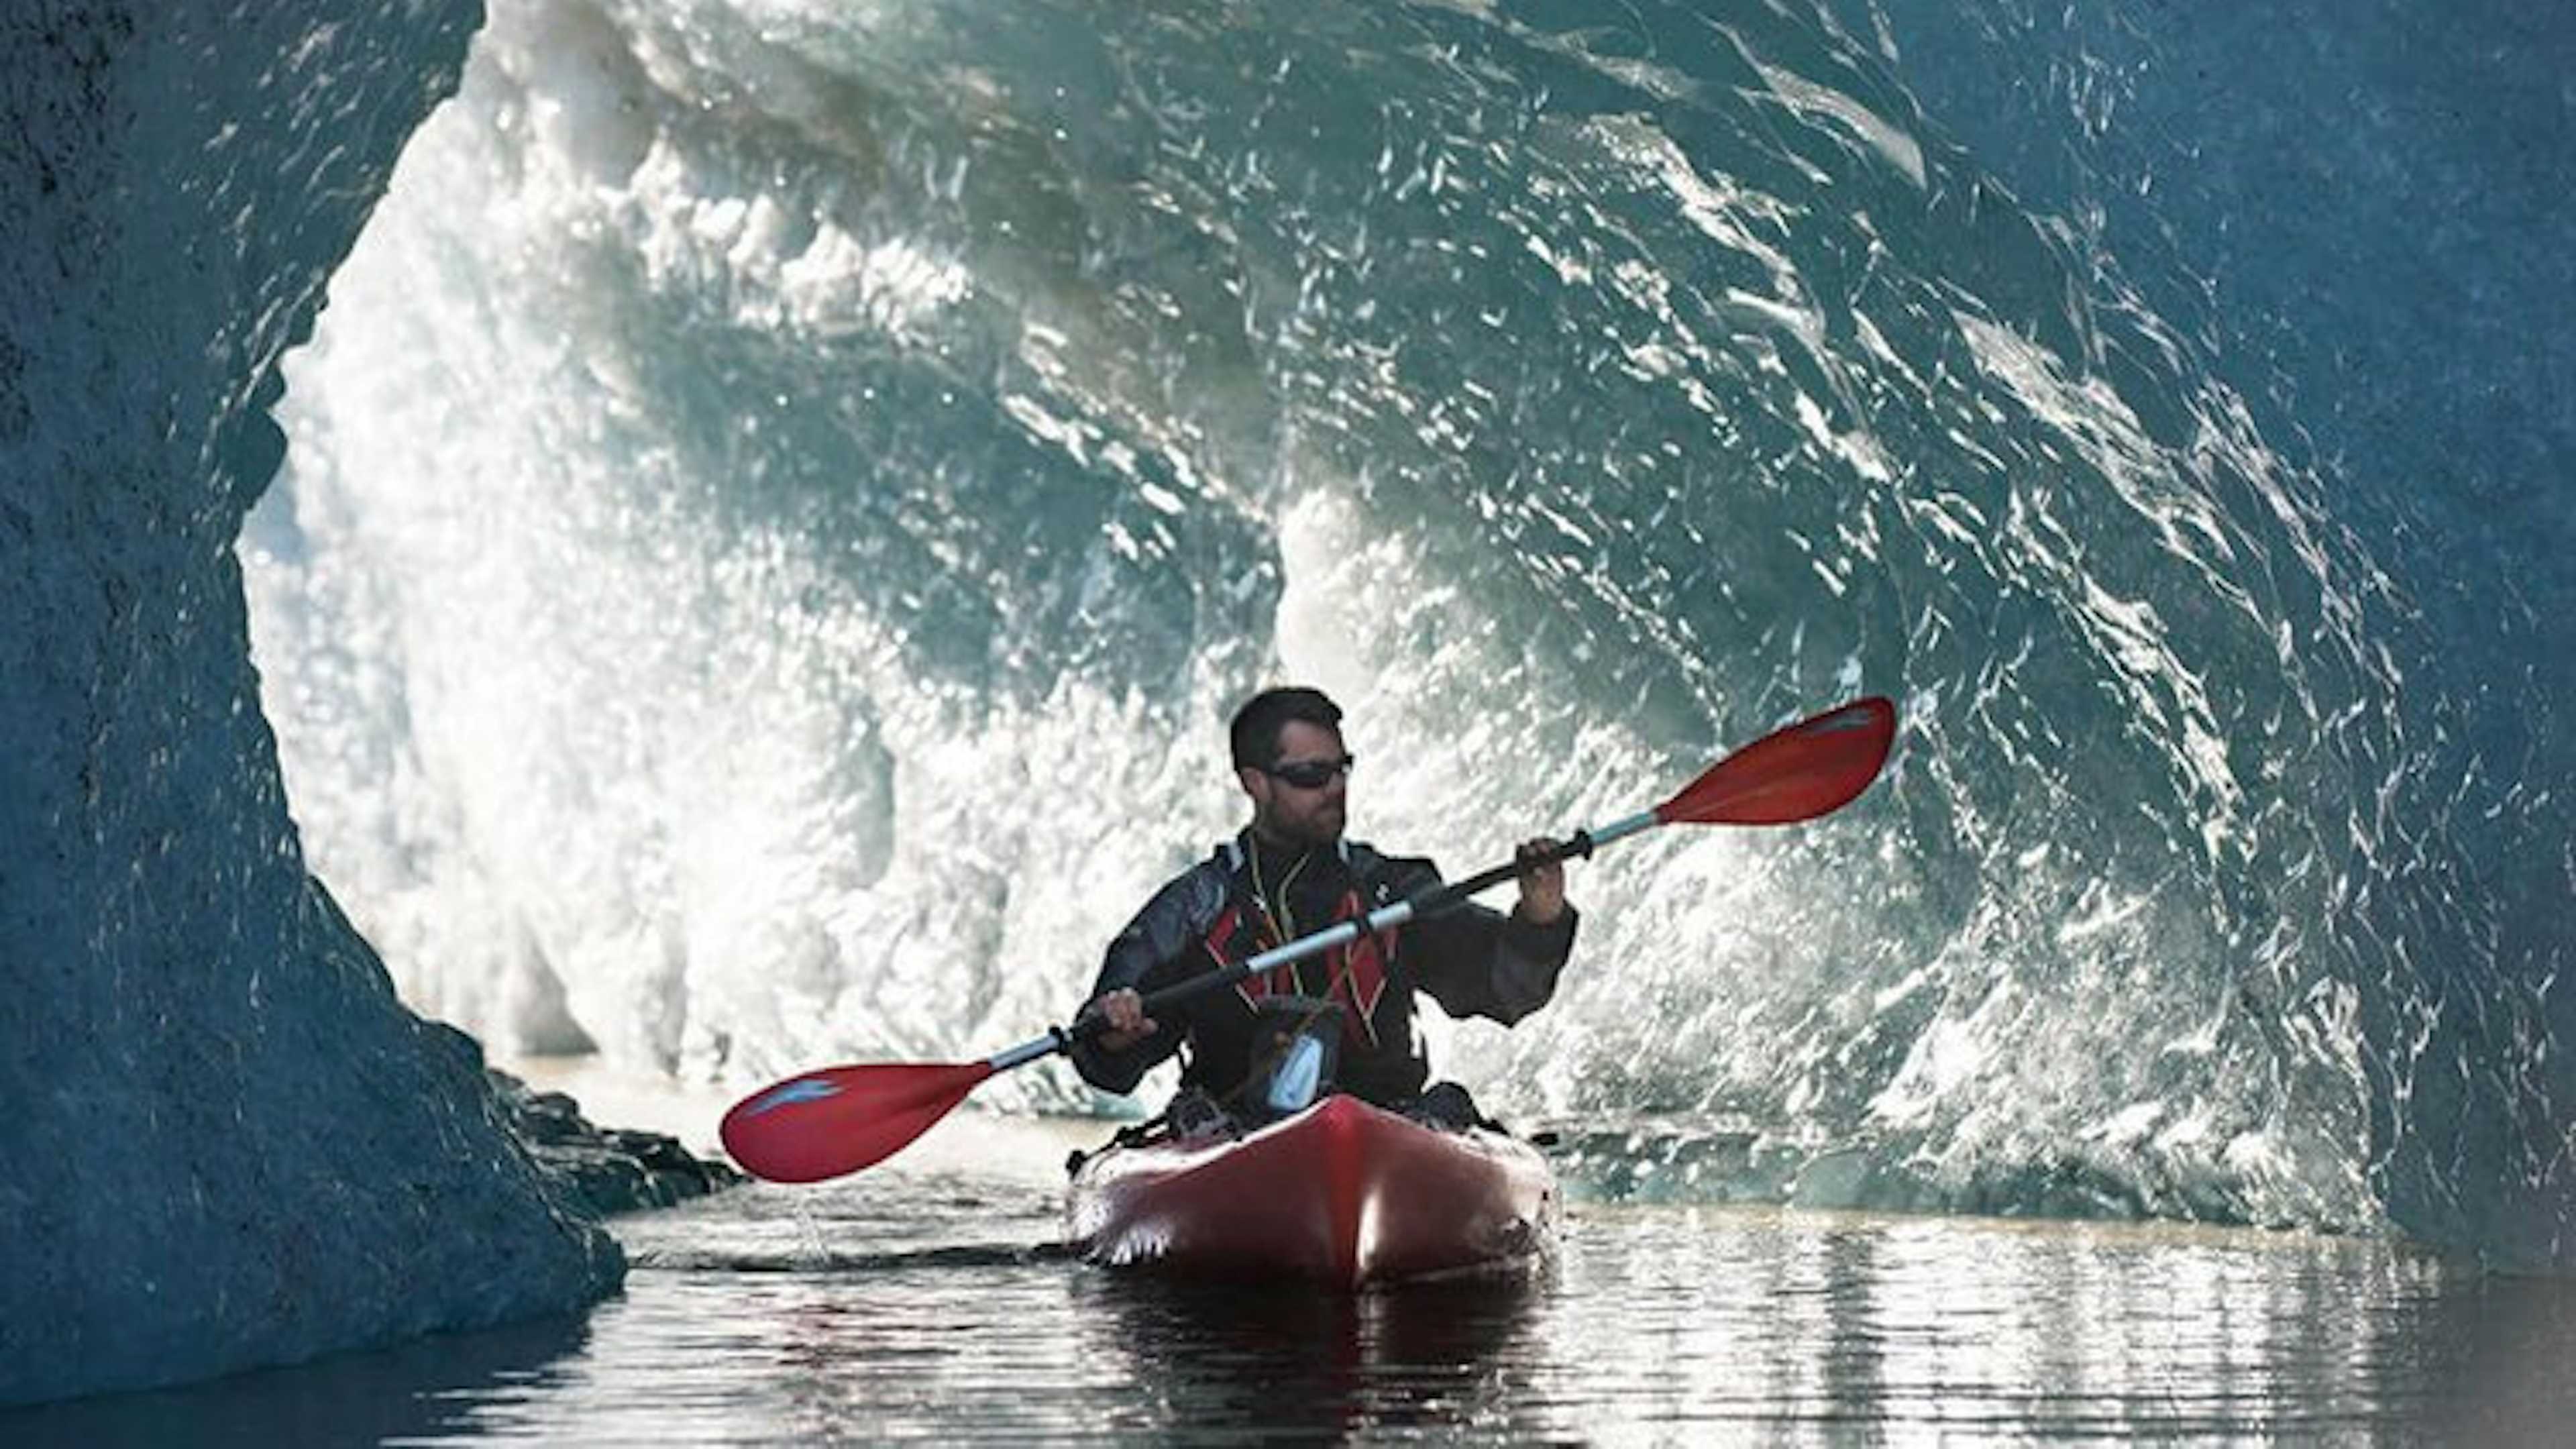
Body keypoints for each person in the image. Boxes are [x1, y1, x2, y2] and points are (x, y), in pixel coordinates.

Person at [1069, 686, 1578, 1128]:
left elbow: (1505, 989)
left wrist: (1539, 920)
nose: (1335, 788)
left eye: (1341, 769)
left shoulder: (1391, 890)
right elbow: (1105, 1053)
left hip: (1383, 1123)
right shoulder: (1195, 908)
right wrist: (1114, 1035)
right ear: (1255, 783)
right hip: (1230, 1133)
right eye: (1312, 775)